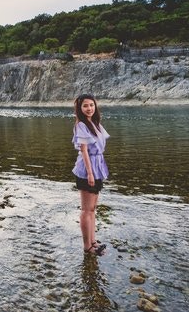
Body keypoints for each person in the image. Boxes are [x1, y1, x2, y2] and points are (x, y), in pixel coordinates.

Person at [71, 94, 110, 256]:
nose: (89, 108)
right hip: (88, 169)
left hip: (98, 166)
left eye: (91, 105)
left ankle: (93, 240)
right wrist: (90, 173)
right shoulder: (81, 125)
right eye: (85, 106)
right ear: (80, 109)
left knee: (93, 208)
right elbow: (84, 151)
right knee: (86, 209)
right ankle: (87, 246)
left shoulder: (95, 123)